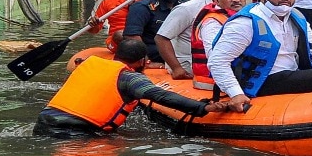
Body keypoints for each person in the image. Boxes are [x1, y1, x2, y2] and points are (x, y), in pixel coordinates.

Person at [208, 0, 312, 112]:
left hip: (290, 75)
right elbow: (217, 61)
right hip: (259, 81)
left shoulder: (297, 18)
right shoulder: (246, 22)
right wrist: (236, 93)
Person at [34, 40, 224, 137]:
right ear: (143, 61)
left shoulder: (88, 64)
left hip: (43, 124)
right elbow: (161, 96)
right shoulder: (129, 78)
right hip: (75, 134)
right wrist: (203, 107)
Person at [154, 0, 247, 77]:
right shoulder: (188, 9)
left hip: (221, 69)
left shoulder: (236, 11)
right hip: (188, 71)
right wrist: (177, 69)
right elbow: (161, 38)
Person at [123, 0, 189, 62]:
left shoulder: (187, 7)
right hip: (153, 54)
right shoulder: (142, 7)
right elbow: (132, 36)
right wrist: (146, 62)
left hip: (183, 53)